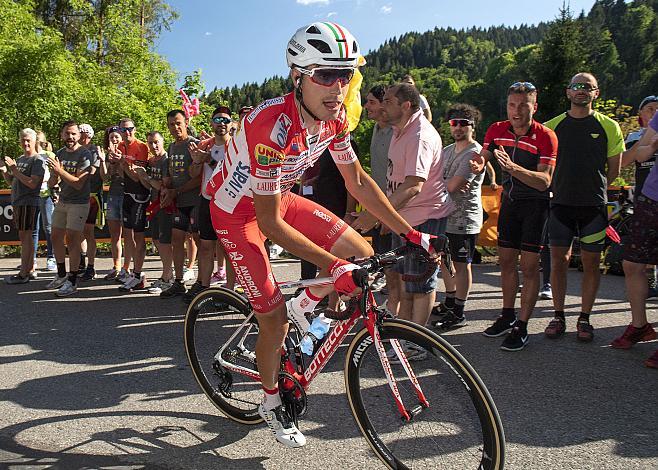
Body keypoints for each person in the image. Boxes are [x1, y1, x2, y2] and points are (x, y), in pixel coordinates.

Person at [206, 22, 441, 448]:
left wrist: (411, 234)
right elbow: (270, 223)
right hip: (237, 213)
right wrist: (334, 268)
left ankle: (305, 305)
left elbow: (358, 183)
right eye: (326, 74)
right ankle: (271, 400)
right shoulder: (270, 127)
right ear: (298, 76)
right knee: (273, 317)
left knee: (362, 250)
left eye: (345, 74)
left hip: (279, 198)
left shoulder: (334, 120)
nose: (338, 87)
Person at [355, 82, 451, 345]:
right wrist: (390, 218)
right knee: (407, 284)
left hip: (425, 218)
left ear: (406, 105)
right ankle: (406, 336)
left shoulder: (419, 135)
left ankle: (419, 343)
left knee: (421, 285)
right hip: (405, 218)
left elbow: (413, 186)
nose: (382, 105)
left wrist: (378, 215)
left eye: (387, 101)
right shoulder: (400, 130)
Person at [471, 81, 557, 351]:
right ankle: (507, 315)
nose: (516, 111)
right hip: (510, 202)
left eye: (523, 105)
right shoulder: (497, 129)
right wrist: (477, 164)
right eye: (512, 105)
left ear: (534, 107)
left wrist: (513, 168)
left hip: (536, 205)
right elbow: (483, 157)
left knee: (530, 267)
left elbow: (544, 181)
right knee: (506, 262)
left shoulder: (546, 136)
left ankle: (522, 324)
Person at [543, 73, 624, 342]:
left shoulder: (609, 126)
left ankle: (585, 318)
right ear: (568, 92)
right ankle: (558, 315)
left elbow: (614, 170)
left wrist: (594, 188)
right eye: (577, 87)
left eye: (587, 87)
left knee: (591, 264)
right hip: (560, 205)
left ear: (596, 93)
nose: (581, 91)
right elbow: (544, 166)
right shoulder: (552, 127)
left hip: (593, 207)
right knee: (558, 262)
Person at [610, 110, 658, 368]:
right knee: (632, 264)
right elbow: (640, 154)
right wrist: (652, 145)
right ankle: (640, 326)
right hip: (651, 198)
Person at [433, 104, 485, 330]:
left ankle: (459, 311)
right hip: (445, 217)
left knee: (462, 265)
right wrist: (442, 184)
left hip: (464, 219)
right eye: (454, 123)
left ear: (473, 127)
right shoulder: (446, 151)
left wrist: (441, 184)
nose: (458, 127)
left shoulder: (474, 153)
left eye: (464, 123)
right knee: (444, 261)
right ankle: (451, 300)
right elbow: (434, 181)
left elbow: (453, 185)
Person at [184, 106, 234, 302]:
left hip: (228, 203)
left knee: (228, 248)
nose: (221, 124)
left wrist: (209, 160)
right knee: (205, 246)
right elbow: (193, 174)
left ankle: (229, 290)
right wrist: (197, 162)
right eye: (217, 120)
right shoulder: (204, 144)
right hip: (206, 200)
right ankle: (203, 286)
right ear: (211, 123)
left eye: (225, 120)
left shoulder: (235, 145)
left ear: (231, 125)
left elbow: (229, 172)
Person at [45, 121, 92, 296]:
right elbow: (52, 181)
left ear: (79, 135)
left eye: (73, 134)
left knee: (72, 239)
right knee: (55, 236)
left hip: (79, 202)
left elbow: (79, 183)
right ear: (62, 135)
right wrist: (55, 175)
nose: (70, 137)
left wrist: (60, 170)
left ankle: (72, 281)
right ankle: (61, 274)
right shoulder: (59, 153)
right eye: (67, 134)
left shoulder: (85, 154)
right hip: (63, 201)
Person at [159, 109, 201, 298]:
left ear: (186, 122)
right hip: (178, 201)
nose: (175, 127)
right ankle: (178, 282)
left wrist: (177, 190)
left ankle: (201, 283)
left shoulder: (194, 144)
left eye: (178, 123)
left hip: (195, 200)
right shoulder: (171, 147)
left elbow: (199, 177)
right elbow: (170, 173)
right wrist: (167, 185)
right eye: (171, 124)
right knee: (177, 240)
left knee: (199, 241)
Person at [622, 95, 658, 299]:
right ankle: (650, 280)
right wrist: (647, 142)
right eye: (650, 109)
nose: (654, 112)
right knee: (643, 246)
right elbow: (624, 162)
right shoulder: (634, 137)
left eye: (657, 109)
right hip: (643, 196)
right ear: (641, 114)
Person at [1, 129, 46, 283]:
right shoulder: (20, 159)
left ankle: (24, 273)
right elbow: (13, 182)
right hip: (18, 202)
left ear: (35, 141)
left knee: (26, 237)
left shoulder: (37, 160)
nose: (25, 143)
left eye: (28, 140)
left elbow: (33, 184)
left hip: (28, 202)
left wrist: (14, 169)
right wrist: (5, 172)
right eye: (23, 140)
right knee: (25, 237)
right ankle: (28, 269)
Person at [135, 131, 173, 294]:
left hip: (166, 205)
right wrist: (141, 175)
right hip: (154, 205)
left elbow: (163, 186)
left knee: (164, 241)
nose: (154, 146)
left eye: (156, 142)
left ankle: (168, 277)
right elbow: (148, 185)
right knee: (157, 240)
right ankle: (166, 274)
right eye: (150, 143)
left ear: (163, 141)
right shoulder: (151, 161)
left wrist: (146, 176)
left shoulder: (166, 160)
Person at [116, 118, 150, 291]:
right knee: (128, 236)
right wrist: (117, 162)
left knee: (139, 237)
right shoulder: (121, 146)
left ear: (135, 129)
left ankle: (138, 274)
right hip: (127, 194)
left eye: (130, 129)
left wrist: (123, 163)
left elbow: (138, 176)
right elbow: (121, 175)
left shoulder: (141, 147)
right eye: (123, 130)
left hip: (140, 195)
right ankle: (133, 272)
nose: (126, 133)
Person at [78, 124, 105, 281]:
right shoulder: (76, 150)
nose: (81, 137)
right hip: (78, 196)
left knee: (88, 232)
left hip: (92, 195)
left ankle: (91, 266)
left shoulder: (94, 150)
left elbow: (92, 172)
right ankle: (81, 263)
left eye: (83, 134)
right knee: (77, 232)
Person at [103, 126, 130, 280]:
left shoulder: (127, 152)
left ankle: (127, 268)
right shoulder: (108, 155)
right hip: (113, 195)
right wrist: (107, 161)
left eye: (116, 137)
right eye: (111, 137)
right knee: (115, 235)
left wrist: (119, 161)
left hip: (126, 194)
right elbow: (106, 177)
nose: (114, 140)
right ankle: (116, 266)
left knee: (128, 234)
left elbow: (127, 174)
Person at [34, 132, 56, 272]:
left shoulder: (49, 155)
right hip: (31, 195)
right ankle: (32, 259)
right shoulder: (28, 156)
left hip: (46, 194)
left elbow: (55, 174)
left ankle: (51, 257)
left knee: (49, 227)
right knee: (32, 229)